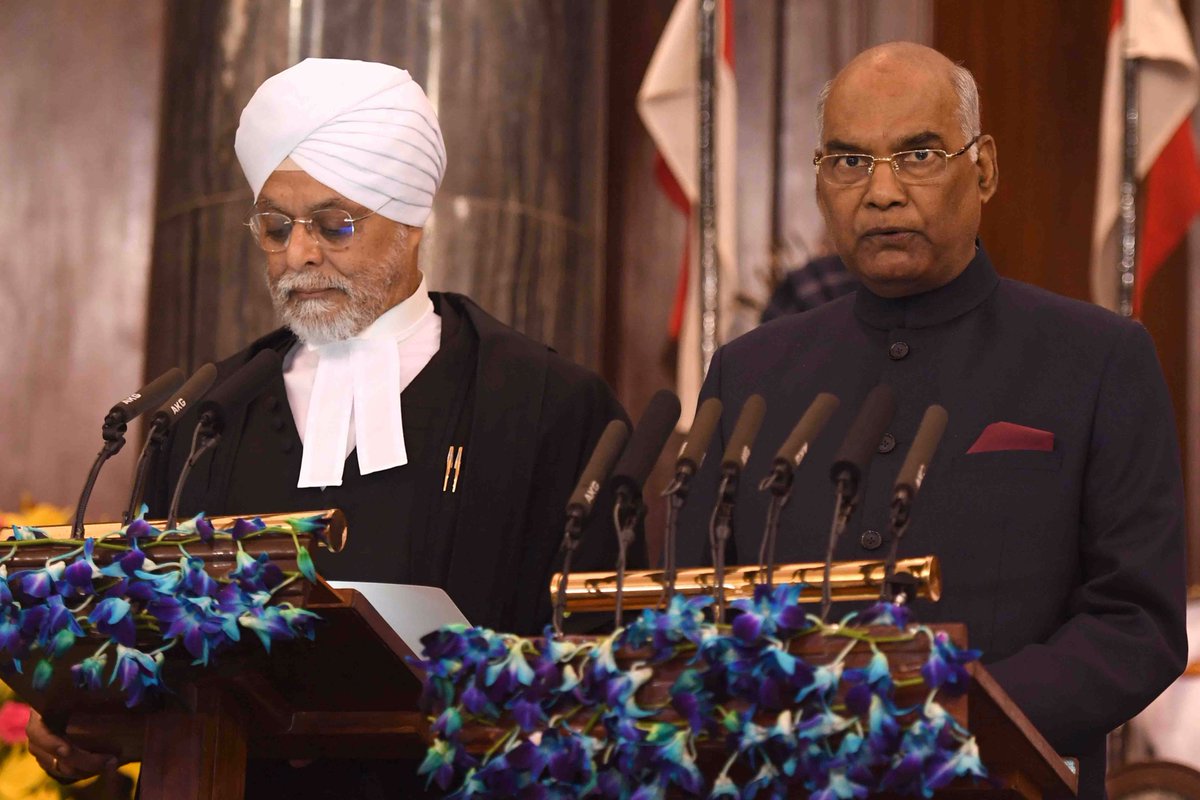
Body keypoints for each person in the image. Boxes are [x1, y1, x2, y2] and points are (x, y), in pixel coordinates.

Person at [29, 58, 633, 797]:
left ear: (411, 222)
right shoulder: (206, 418)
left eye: (334, 223)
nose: (298, 254)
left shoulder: (547, 406)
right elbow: (150, 648)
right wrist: (92, 718)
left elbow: (598, 667)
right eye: (275, 227)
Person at [678, 42, 1187, 798]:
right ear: (819, 181)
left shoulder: (1096, 359)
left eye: (917, 153)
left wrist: (955, 714)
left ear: (983, 169)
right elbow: (697, 607)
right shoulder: (751, 374)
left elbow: (1135, 622)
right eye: (850, 162)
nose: (882, 192)